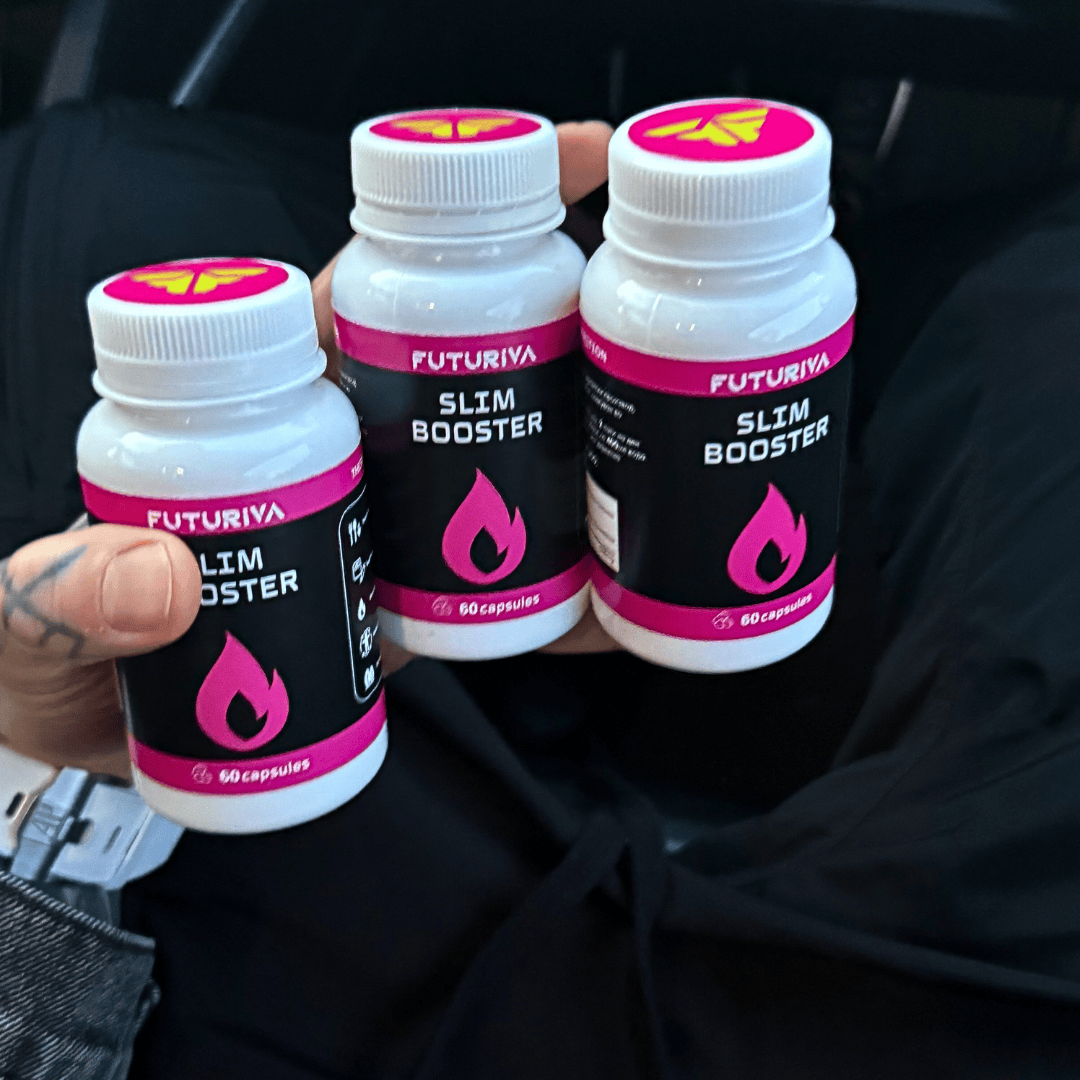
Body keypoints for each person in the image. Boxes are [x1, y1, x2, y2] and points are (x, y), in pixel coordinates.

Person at [5, 98, 1080, 1080]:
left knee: (104, 171)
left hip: (304, 899)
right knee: (1051, 292)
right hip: (798, 997)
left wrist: (40, 773)